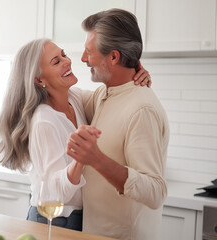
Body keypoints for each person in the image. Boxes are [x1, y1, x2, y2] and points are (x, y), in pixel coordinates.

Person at [0, 38, 151, 231]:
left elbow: (108, 97)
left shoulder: (74, 99)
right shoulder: (44, 120)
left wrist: (133, 78)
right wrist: (81, 159)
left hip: (78, 218)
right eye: (56, 61)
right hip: (53, 219)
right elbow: (52, 194)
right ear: (39, 79)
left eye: (64, 54)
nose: (67, 61)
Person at [66, 9, 169, 240]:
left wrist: (96, 159)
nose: (83, 58)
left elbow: (156, 191)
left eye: (89, 52)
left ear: (113, 57)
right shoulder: (105, 94)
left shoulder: (142, 109)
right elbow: (63, 91)